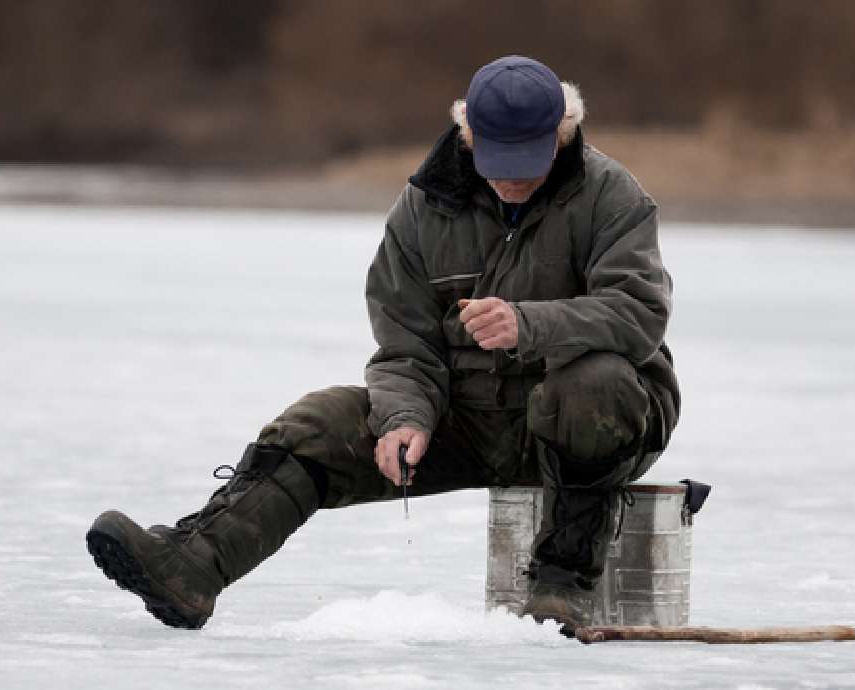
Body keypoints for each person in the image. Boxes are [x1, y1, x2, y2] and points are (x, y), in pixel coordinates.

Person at [85, 55, 680, 633]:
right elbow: (404, 343)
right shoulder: (422, 208)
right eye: (498, 160)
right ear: (467, 135)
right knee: (318, 421)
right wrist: (405, 416)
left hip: (597, 422)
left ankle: (561, 584)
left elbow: (639, 315)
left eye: (529, 161)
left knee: (591, 386)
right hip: (470, 419)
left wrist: (531, 325)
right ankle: (194, 565)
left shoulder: (612, 194)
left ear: (563, 134)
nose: (512, 179)